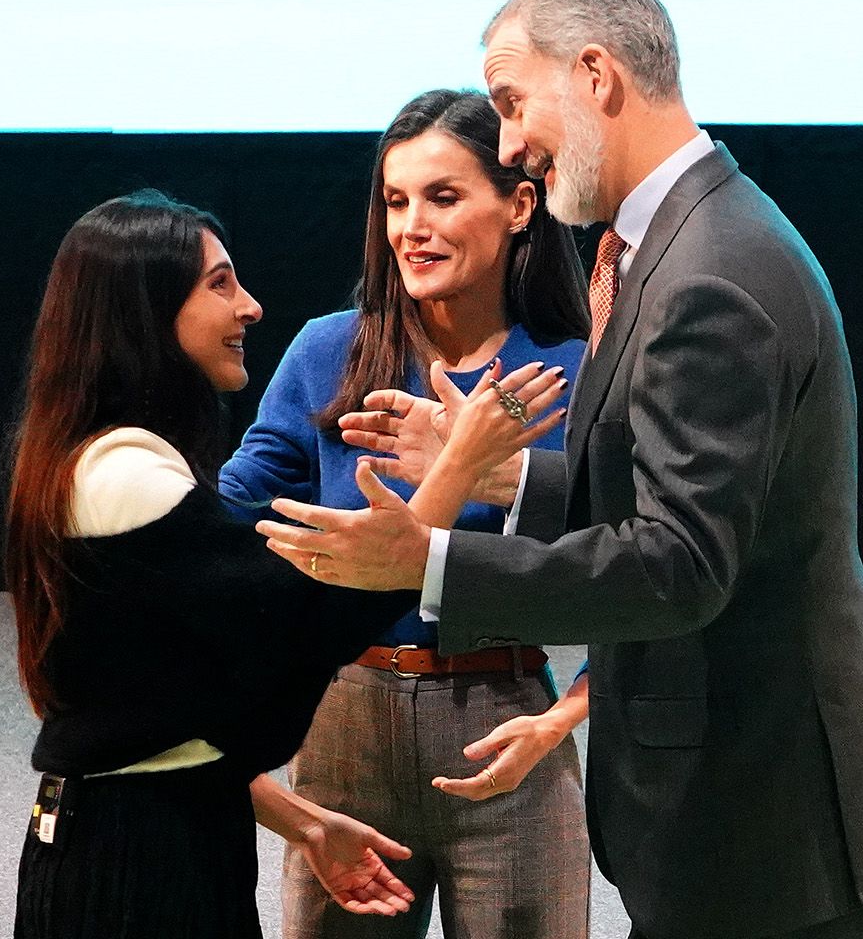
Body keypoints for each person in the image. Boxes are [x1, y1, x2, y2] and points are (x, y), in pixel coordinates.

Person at [257, 0, 863, 939]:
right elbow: (667, 495)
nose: (510, 143)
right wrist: (500, 471)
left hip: (773, 821)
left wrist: (428, 559)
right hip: (741, 806)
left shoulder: (709, 272)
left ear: (594, 74)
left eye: (511, 101)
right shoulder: (673, 245)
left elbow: (678, 565)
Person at [4, 188, 566, 938]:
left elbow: (164, 721)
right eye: (219, 284)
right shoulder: (122, 478)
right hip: (135, 862)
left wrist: (303, 822)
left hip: (163, 833)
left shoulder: (102, 463)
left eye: (442, 195)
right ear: (147, 308)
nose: (250, 306)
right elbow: (307, 620)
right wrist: (460, 464)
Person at [220, 89, 593, 939]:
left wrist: (566, 715)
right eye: (395, 202)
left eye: (443, 197)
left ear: (520, 205)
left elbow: (648, 564)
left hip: (507, 728)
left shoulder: (577, 368)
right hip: (340, 721)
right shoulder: (327, 349)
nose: (411, 227)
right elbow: (234, 515)